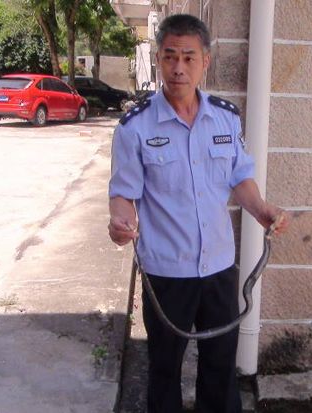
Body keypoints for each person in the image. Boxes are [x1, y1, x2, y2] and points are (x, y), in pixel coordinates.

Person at [108, 14, 289, 413]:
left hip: (219, 268)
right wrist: (120, 223)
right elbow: (123, 194)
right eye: (170, 56)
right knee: (164, 368)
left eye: (189, 57)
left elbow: (240, 177)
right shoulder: (135, 127)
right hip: (166, 271)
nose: (179, 67)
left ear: (205, 61)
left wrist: (261, 209)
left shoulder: (225, 117)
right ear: (158, 59)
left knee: (220, 367)